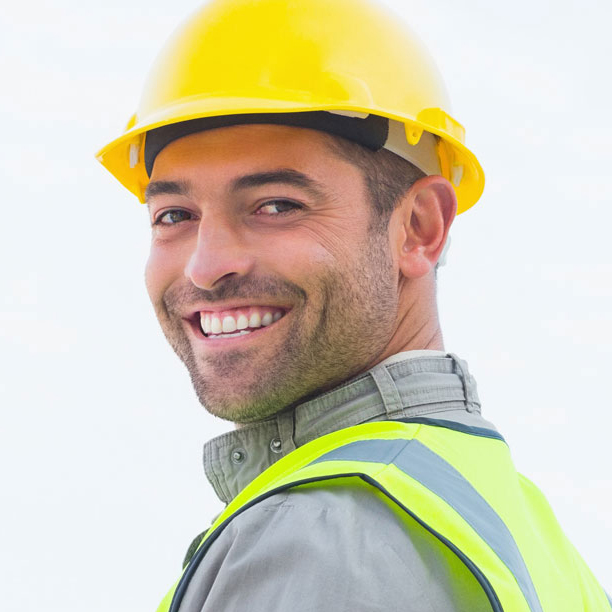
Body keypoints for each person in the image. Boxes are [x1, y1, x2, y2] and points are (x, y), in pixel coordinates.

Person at [97, 0, 611, 610]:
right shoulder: (508, 517)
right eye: (174, 215)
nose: (206, 267)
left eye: (277, 205)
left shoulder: (316, 536)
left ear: (419, 226)